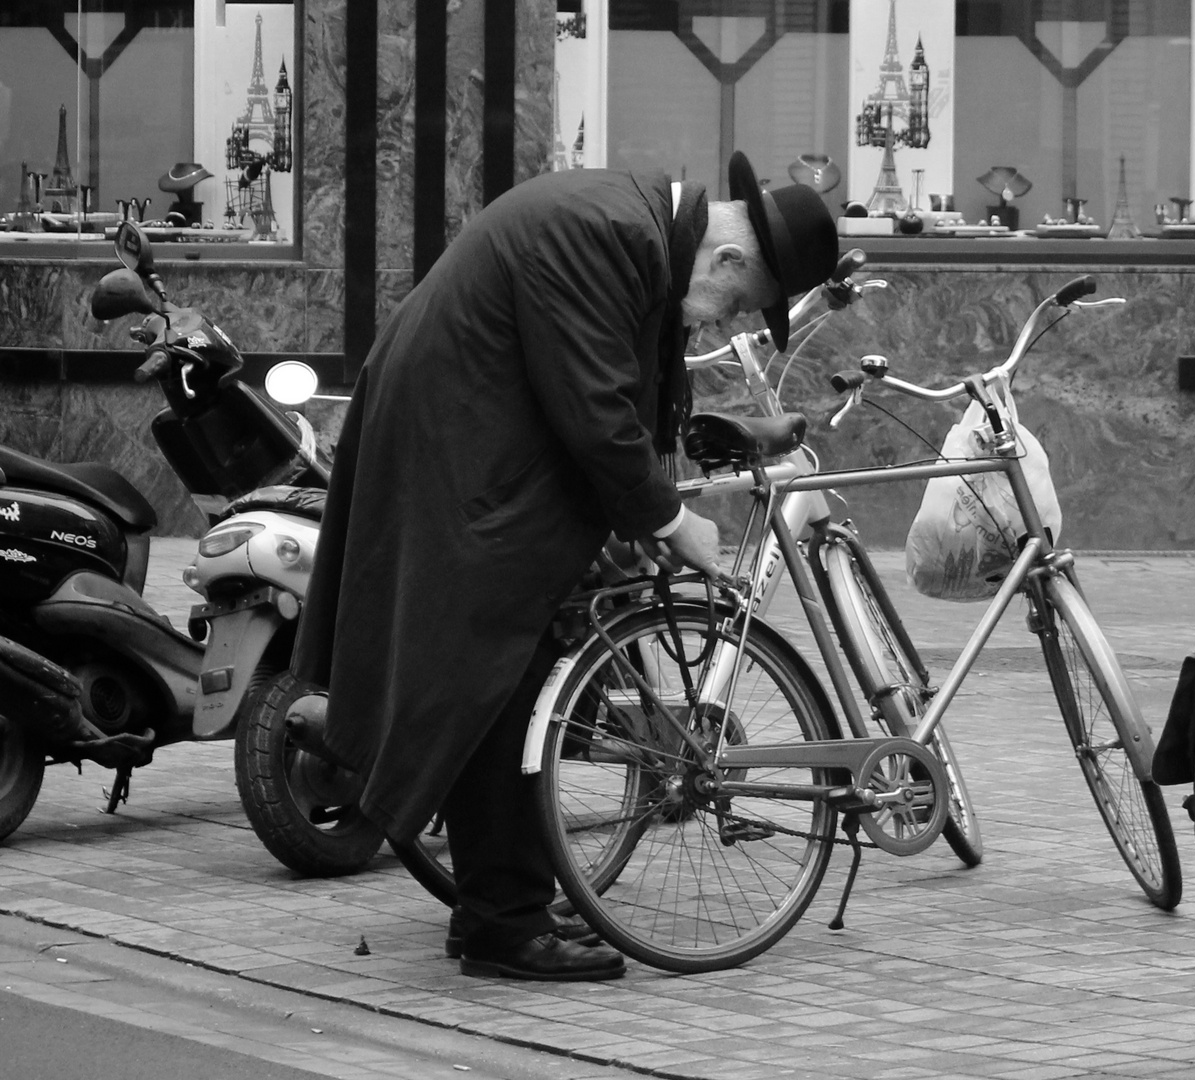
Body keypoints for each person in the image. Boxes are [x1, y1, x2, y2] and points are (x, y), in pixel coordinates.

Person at [290, 151, 838, 981]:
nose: (727, 324)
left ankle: (498, 906)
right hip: (457, 442)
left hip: (474, 434)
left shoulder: (643, 229)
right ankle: (503, 926)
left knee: (509, 669)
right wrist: (665, 515)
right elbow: (593, 403)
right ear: (728, 259)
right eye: (740, 305)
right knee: (498, 671)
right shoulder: (606, 230)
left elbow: (640, 385)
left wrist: (645, 495)